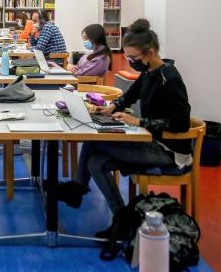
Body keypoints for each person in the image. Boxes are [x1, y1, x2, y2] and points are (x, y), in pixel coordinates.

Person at [58, 19, 192, 216]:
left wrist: (139, 122)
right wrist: (111, 108)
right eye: (128, 57)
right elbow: (129, 96)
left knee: (93, 143)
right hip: (150, 141)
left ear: (151, 52)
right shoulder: (148, 72)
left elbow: (181, 123)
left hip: (169, 153)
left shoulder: (169, 78)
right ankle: (121, 217)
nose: (131, 62)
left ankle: (78, 189)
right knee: (95, 162)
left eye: (133, 57)